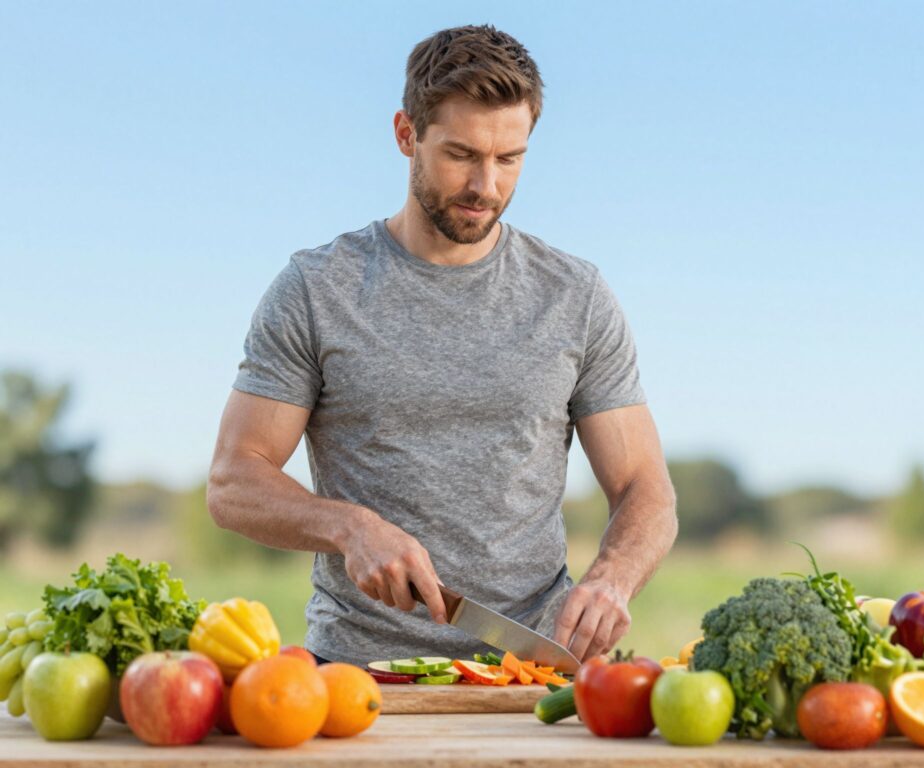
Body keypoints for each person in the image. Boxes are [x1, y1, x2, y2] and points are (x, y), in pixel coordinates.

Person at [207, 24, 678, 666]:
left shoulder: (576, 295)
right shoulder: (317, 289)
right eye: (461, 154)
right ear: (407, 135)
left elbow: (645, 486)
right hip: (357, 679)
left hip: (533, 672)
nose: (487, 185)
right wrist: (350, 527)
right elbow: (234, 481)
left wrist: (612, 577)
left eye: (509, 158)